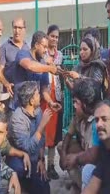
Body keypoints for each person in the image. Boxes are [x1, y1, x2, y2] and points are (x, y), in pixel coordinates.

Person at [6, 81, 52, 194]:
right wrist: (41, 127)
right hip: (19, 158)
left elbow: (41, 140)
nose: (40, 96)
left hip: (34, 159)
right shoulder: (18, 119)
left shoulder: (38, 111)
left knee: (45, 190)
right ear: (31, 101)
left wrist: (41, 160)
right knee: (21, 169)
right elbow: (27, 147)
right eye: (37, 94)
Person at [58, 78, 102, 191]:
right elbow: (68, 135)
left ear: (86, 105)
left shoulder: (97, 123)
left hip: (96, 164)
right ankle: (78, 183)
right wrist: (63, 154)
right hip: (86, 153)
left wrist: (75, 158)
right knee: (61, 146)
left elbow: (93, 156)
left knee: (87, 168)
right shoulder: (79, 117)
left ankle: (88, 188)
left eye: (76, 102)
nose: (74, 105)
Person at [82, 100, 110, 194]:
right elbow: (97, 177)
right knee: (87, 170)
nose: (98, 124)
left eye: (104, 119)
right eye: (97, 120)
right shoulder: (106, 144)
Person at [9, 31, 60, 112]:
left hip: (34, 110)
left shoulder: (43, 63)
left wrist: (51, 102)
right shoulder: (22, 54)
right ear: (36, 45)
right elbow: (30, 66)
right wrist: (49, 68)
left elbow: (44, 90)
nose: (46, 50)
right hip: (18, 109)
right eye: (44, 47)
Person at [42, 25, 64, 180]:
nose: (55, 39)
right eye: (52, 36)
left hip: (56, 97)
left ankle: (51, 166)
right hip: (44, 97)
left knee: (54, 135)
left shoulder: (60, 55)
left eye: (57, 37)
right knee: (43, 132)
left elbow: (60, 74)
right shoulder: (42, 54)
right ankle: (41, 166)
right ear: (47, 36)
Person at [0, 18, 30, 97]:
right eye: (15, 27)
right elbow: (0, 71)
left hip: (26, 95)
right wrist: (6, 84)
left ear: (24, 29)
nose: (17, 31)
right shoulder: (4, 47)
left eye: (20, 28)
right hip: (11, 94)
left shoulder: (27, 48)